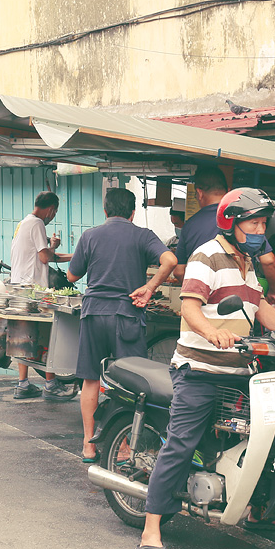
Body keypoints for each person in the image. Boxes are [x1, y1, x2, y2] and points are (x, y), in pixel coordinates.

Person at [137, 188, 275, 549]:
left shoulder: (248, 264)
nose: (259, 229)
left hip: (239, 371)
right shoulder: (207, 255)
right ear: (231, 223)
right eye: (252, 223)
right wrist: (211, 332)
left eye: (262, 223)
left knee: (264, 437)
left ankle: (255, 510)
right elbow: (189, 306)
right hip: (200, 370)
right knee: (181, 443)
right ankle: (150, 531)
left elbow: (260, 311)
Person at [67, 188, 177, 461]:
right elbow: (170, 260)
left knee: (91, 379)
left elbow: (71, 275)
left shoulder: (90, 235)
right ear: (133, 212)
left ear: (105, 210)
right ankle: (124, 446)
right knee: (131, 383)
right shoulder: (142, 235)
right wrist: (150, 287)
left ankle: (88, 445)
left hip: (93, 314)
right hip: (126, 315)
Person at [173, 166, 275, 299]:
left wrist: (199, 290)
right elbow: (268, 261)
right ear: (229, 192)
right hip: (241, 299)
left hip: (204, 301)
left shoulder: (190, 225)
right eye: (256, 223)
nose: (260, 230)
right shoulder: (241, 223)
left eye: (263, 223)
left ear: (199, 193)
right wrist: (274, 292)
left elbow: (179, 271)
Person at [9, 190, 73, 401]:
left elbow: (41, 253)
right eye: (54, 212)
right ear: (51, 209)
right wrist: (76, 256)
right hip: (33, 289)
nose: (53, 216)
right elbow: (45, 257)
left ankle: (23, 384)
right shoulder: (37, 223)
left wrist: (53, 247)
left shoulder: (24, 222)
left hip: (20, 285)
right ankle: (51, 384)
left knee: (24, 335)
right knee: (47, 335)